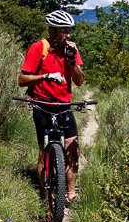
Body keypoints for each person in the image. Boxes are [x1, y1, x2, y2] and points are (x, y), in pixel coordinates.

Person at [17, 10, 85, 202]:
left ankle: (71, 194)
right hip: (42, 104)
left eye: (69, 29)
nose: (68, 34)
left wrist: (72, 61)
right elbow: (22, 80)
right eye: (63, 30)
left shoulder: (71, 49)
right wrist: (45, 77)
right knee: (43, 150)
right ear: (52, 30)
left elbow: (79, 81)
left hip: (64, 105)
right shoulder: (39, 48)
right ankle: (46, 195)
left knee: (73, 150)